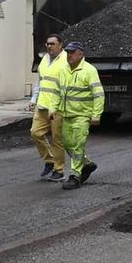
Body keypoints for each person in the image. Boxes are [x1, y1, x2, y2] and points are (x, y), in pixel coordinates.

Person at [57, 40, 105, 189]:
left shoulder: (89, 70)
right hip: (66, 114)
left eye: (72, 52)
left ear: (81, 54)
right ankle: (88, 165)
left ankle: (75, 176)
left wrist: (96, 115)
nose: (69, 55)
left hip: (82, 115)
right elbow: (60, 92)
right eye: (68, 52)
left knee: (78, 145)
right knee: (67, 144)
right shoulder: (64, 70)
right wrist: (55, 109)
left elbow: (99, 94)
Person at [30, 34, 68, 181]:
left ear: (60, 45)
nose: (49, 46)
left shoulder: (66, 60)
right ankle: (50, 161)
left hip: (57, 107)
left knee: (57, 140)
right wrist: (34, 99)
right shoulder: (44, 60)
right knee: (35, 133)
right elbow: (40, 82)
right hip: (42, 105)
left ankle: (59, 170)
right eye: (47, 44)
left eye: (52, 44)